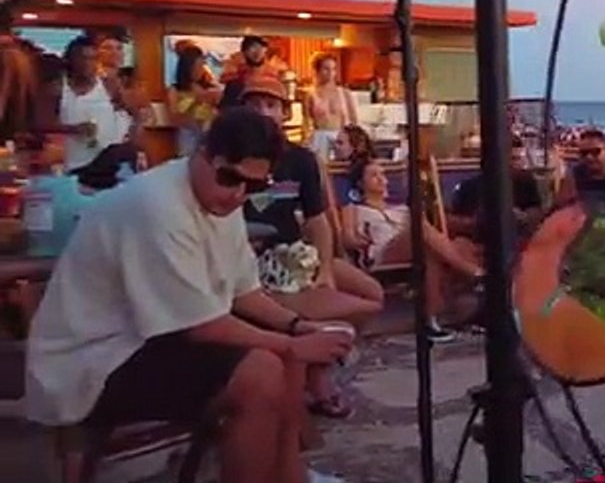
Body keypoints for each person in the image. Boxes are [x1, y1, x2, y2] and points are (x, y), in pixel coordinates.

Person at [25, 108, 353, 483]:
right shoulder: (157, 205)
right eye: (231, 178)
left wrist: (300, 327)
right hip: (89, 361)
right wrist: (290, 344)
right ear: (202, 153)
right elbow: (202, 326)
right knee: (262, 371)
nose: (238, 194)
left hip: (140, 340)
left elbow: (243, 292)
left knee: (284, 359)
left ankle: (288, 475)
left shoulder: (218, 198)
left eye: (254, 186)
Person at [238, 75, 382, 418]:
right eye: (254, 105)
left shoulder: (300, 159)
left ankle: (317, 364)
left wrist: (327, 269)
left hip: (297, 250)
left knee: (371, 295)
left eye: (270, 105)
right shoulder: (232, 156)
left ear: (285, 113)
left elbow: (317, 221)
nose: (262, 112)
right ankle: (314, 382)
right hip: (250, 260)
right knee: (313, 310)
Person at [348, 156, 484, 341]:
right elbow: (347, 238)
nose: (382, 179)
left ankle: (432, 320)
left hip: (414, 246)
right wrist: (359, 240)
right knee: (419, 229)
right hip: (382, 254)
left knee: (453, 245)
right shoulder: (353, 209)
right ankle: (476, 274)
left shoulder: (402, 209)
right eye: (374, 175)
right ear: (360, 184)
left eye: (383, 174)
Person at [60, 35, 133, 171]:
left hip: (105, 166)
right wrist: (73, 129)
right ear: (70, 61)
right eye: (82, 58)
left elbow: (131, 114)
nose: (87, 64)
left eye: (93, 58)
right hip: (69, 164)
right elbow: (42, 124)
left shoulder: (109, 85)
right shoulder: (58, 88)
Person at [449, 137, 544, 241]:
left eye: (518, 159)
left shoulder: (525, 182)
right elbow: (452, 222)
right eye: (512, 159)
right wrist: (475, 223)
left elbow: (537, 213)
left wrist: (523, 218)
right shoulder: (469, 187)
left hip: (518, 246)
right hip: (478, 247)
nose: (517, 165)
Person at [169, 45, 223, 156]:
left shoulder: (209, 87)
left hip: (207, 135)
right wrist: (196, 101)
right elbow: (174, 119)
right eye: (196, 67)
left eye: (201, 66)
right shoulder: (175, 90)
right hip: (187, 137)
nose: (199, 71)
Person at [306, 53, 358, 161]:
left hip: (341, 137)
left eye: (333, 69)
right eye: (326, 69)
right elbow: (306, 122)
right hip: (320, 138)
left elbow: (354, 120)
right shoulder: (311, 94)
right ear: (317, 71)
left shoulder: (344, 93)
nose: (330, 73)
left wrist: (353, 142)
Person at [219, 35, 271, 110]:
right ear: (244, 51)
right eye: (253, 47)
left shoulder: (272, 72)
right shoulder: (234, 71)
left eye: (261, 47)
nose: (257, 51)